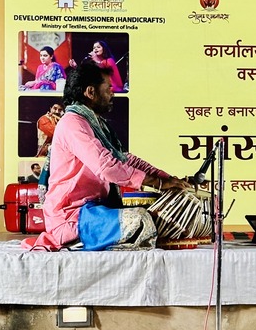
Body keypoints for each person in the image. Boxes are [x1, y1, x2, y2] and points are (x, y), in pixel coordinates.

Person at [23, 62, 188, 251]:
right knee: (139, 219)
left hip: (95, 212)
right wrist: (156, 183)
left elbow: (125, 159)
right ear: (91, 92)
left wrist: (167, 179)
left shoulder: (96, 124)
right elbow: (106, 166)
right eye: (108, 88)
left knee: (159, 218)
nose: (112, 93)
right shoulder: (72, 123)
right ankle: (78, 242)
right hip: (72, 217)